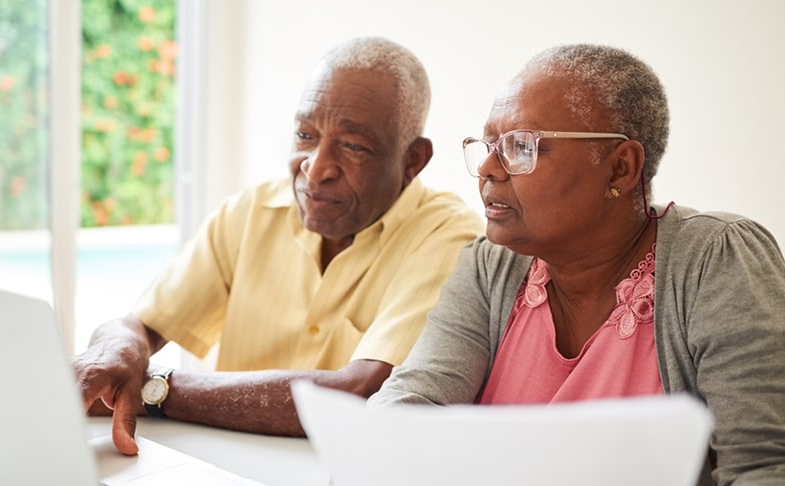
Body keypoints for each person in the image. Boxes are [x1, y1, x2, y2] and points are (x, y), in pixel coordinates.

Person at [303, 43, 785, 486]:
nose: (488, 170)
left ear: (621, 166)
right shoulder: (491, 266)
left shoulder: (717, 261)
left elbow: (781, 473)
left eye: (520, 147)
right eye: (488, 146)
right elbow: (413, 400)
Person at [74, 36, 483, 456]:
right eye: (305, 134)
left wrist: (156, 389)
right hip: (220, 466)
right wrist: (118, 351)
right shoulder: (252, 211)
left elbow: (363, 391)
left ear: (413, 160)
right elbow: (140, 326)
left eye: (354, 146)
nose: (316, 167)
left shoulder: (452, 239)